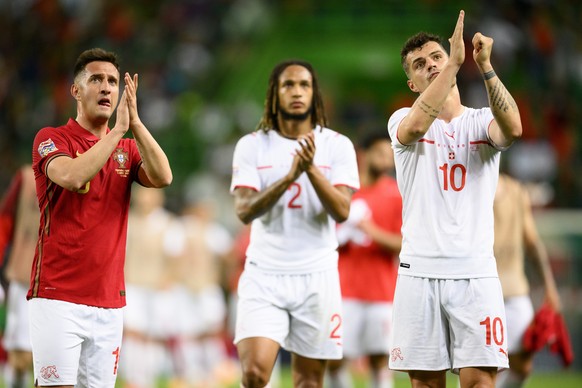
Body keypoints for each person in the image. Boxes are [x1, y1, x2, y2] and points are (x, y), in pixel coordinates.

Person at [387, 10, 522, 388]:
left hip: (475, 273)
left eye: (437, 58)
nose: (430, 66)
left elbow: (512, 128)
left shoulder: (480, 121)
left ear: (451, 62)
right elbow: (415, 127)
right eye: (419, 65)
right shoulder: (401, 119)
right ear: (412, 83)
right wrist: (454, 64)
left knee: (480, 382)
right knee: (426, 385)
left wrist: (485, 66)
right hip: (419, 273)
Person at [29, 48, 172, 388]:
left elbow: (164, 176)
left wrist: (134, 124)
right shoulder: (51, 139)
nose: (107, 88)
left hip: (109, 303)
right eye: (96, 79)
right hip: (56, 296)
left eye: (112, 81)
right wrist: (117, 132)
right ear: (76, 91)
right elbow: (73, 176)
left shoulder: (127, 148)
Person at [230, 59, 360, 388]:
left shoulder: (337, 145)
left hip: (317, 276)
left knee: (309, 381)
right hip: (264, 274)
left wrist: (310, 169)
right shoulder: (252, 145)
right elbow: (244, 210)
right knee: (255, 374)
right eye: (288, 85)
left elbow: (342, 210)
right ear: (275, 94)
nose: (297, 92)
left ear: (314, 94)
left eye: (304, 85)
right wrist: (289, 177)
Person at [327, 132, 402, 388]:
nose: (386, 161)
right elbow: (326, 241)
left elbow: (403, 244)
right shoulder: (346, 193)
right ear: (364, 154)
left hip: (381, 293)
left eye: (390, 156)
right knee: (335, 358)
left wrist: (369, 229)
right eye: (381, 154)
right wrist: (343, 235)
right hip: (345, 290)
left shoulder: (395, 195)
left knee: (379, 360)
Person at [493, 173, 561, 388]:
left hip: (515, 290)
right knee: (481, 367)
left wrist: (550, 287)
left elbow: (532, 242)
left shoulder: (516, 191)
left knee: (522, 366)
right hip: (479, 290)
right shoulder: (466, 186)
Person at [0, 165, 38, 388]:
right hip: (26, 276)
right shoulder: (26, 178)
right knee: (21, 354)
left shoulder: (89, 172)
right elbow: (5, 221)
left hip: (66, 283)